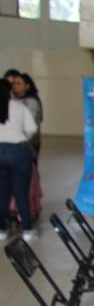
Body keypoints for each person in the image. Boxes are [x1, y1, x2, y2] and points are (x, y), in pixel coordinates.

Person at [0, 79, 37, 241]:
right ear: (10, 90)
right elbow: (32, 128)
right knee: (21, 193)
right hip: (19, 152)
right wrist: (23, 138)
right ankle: (27, 230)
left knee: (2, 195)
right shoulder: (19, 106)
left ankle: (2, 230)